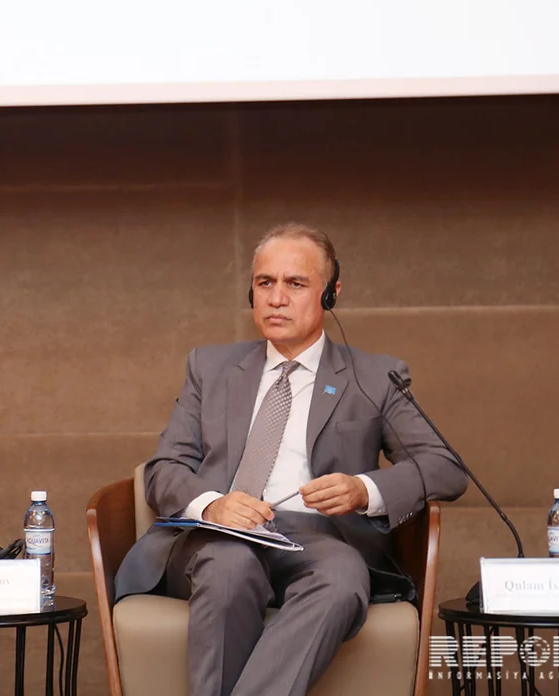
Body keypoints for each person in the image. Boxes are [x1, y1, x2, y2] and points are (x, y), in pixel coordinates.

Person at [114, 222, 467, 696]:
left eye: (296, 284)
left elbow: (445, 467)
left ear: (330, 294)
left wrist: (364, 489)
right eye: (265, 283)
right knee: (229, 566)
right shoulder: (210, 368)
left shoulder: (374, 377)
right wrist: (214, 505)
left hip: (318, 540)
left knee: (342, 579)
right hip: (217, 538)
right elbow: (164, 470)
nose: (276, 298)